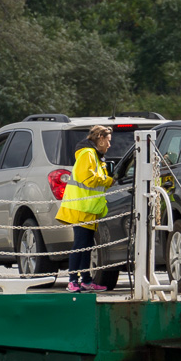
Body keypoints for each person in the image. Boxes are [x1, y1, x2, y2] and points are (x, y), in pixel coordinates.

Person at [54, 125, 116, 293]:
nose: (109, 145)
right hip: (81, 207)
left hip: (88, 208)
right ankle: (73, 281)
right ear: (101, 138)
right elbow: (87, 178)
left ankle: (86, 281)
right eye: (108, 141)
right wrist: (107, 180)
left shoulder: (93, 154)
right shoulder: (88, 154)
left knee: (87, 245)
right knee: (80, 244)